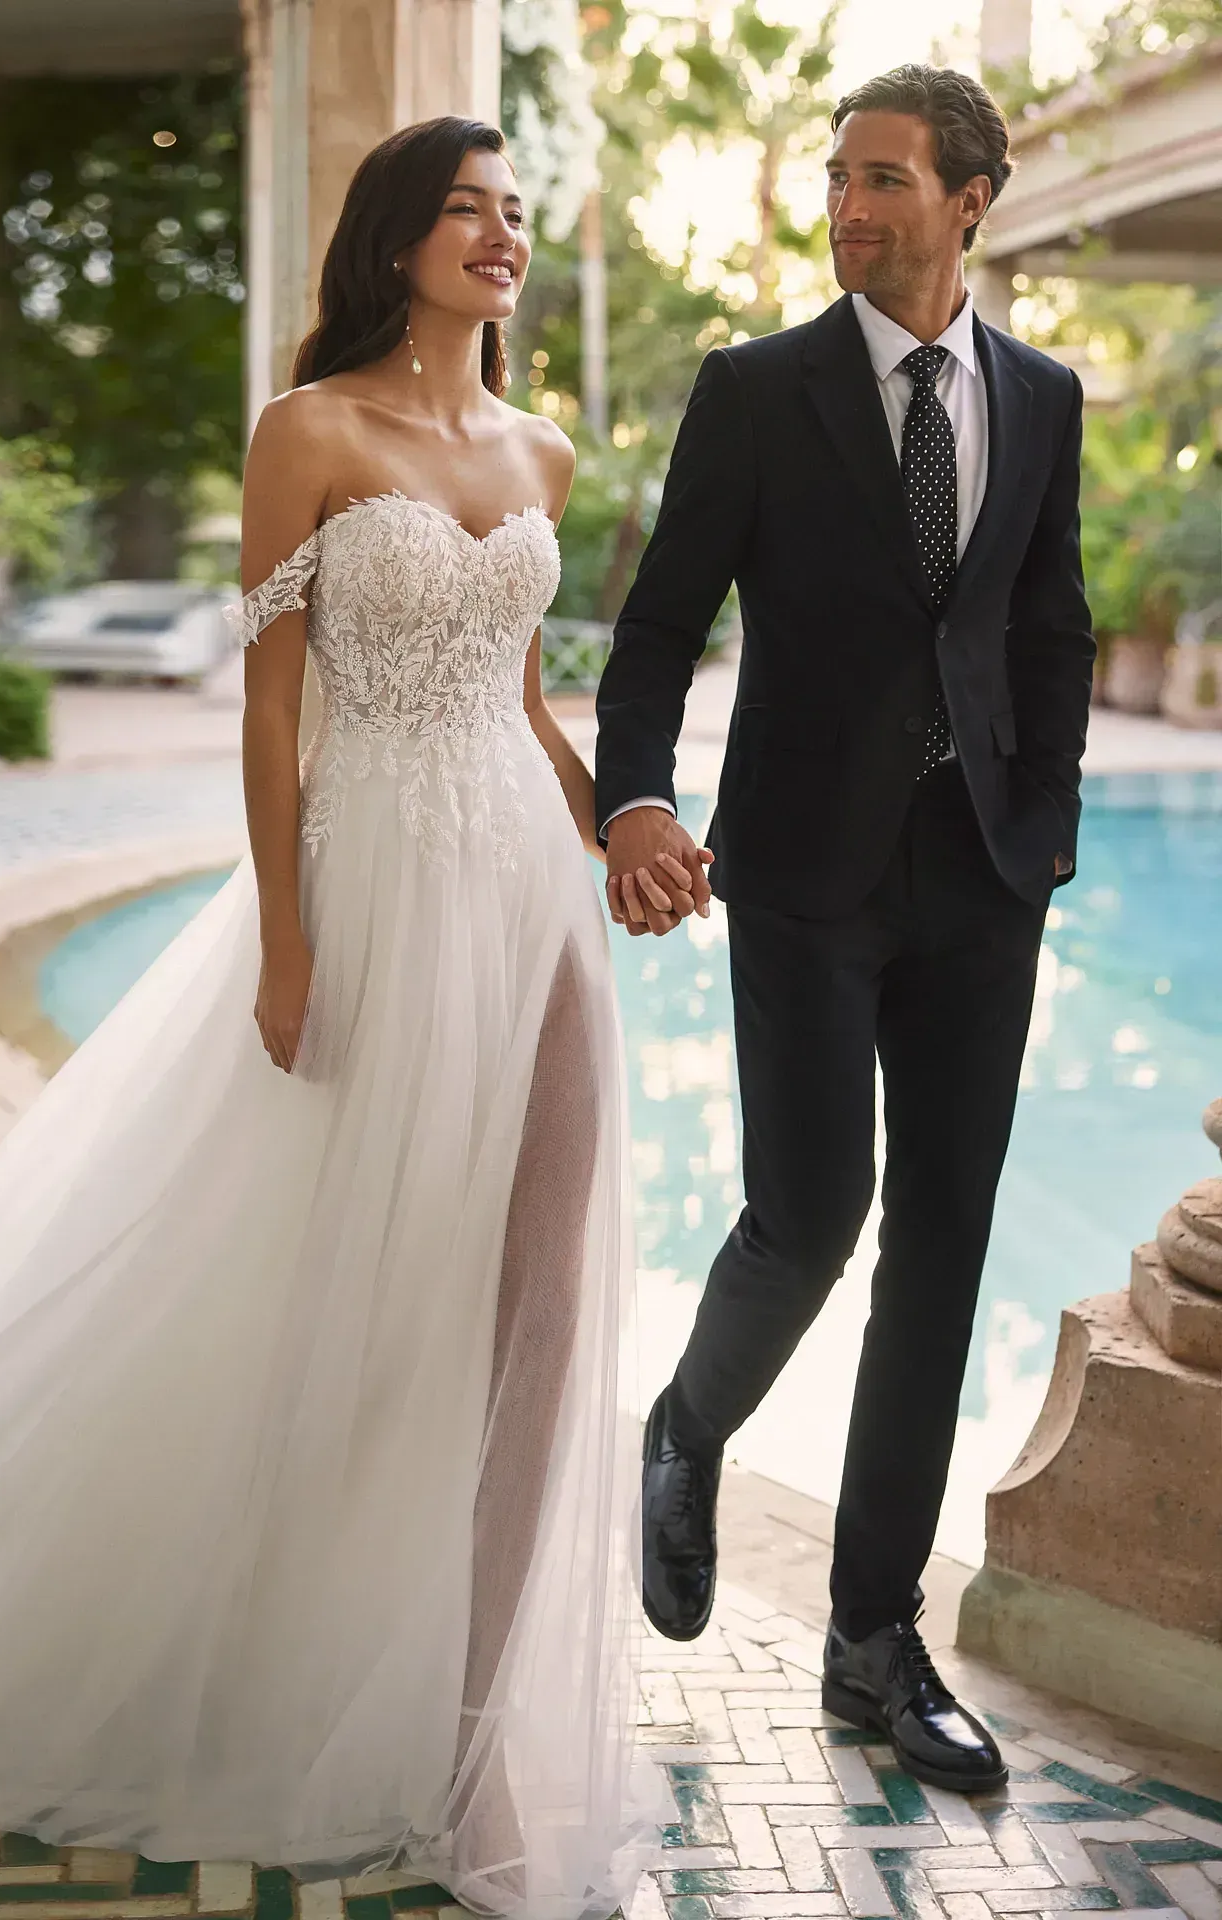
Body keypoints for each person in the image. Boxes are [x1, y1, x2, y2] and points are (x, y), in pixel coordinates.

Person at [0, 118, 650, 1920]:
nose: (501, 236)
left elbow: (521, 695)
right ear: (393, 236)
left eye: (517, 214)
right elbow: (272, 716)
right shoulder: (311, 432)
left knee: (539, 1305)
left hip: (529, 898)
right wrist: (289, 946)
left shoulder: (545, 445)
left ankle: (474, 1731)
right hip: (368, 893)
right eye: (465, 209)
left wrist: (626, 824)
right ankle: (240, 1641)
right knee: (331, 1303)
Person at [594, 65, 1095, 1793]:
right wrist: (635, 798)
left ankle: (874, 1649)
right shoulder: (758, 391)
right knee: (812, 1213)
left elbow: (1053, 626)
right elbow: (660, 622)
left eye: (886, 179)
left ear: (971, 201)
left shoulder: (1042, 395)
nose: (850, 208)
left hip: (983, 880)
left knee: (941, 1252)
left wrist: (1050, 827)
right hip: (801, 872)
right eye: (839, 180)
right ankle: (687, 1426)